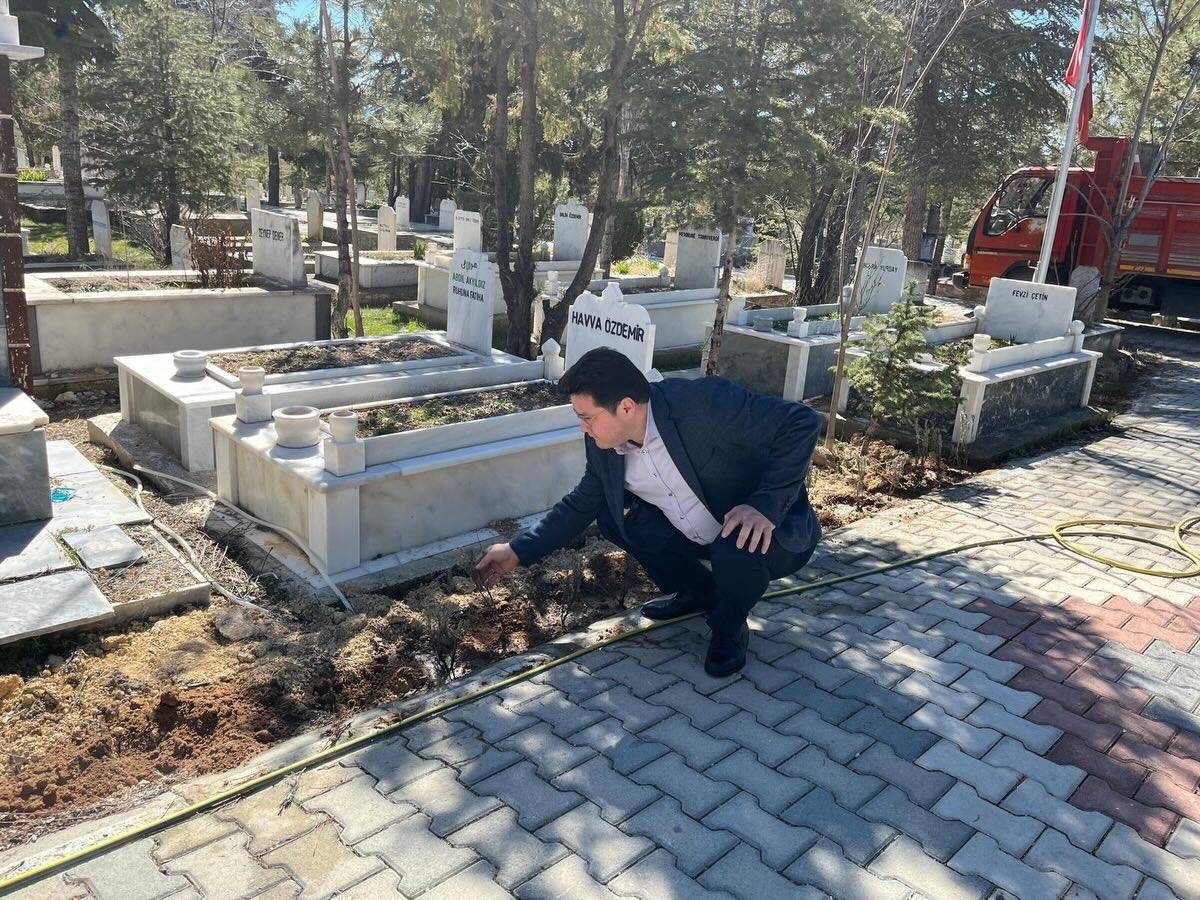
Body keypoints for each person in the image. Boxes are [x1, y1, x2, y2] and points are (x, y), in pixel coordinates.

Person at [476, 347, 822, 676]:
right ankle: (700, 591)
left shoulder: (701, 403)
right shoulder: (604, 443)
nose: (583, 427)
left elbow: (801, 421)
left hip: (767, 537)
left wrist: (765, 505)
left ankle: (729, 625)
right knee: (616, 518)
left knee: (737, 542)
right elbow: (582, 503)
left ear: (626, 407)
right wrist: (517, 550)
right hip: (699, 533)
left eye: (587, 417)